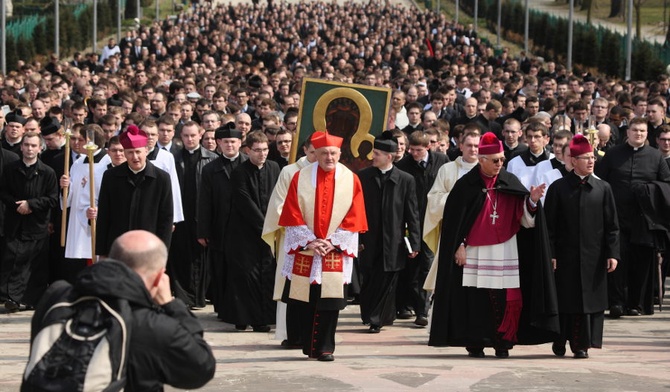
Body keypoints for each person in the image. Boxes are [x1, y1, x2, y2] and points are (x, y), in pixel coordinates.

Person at [28, 230, 216, 391]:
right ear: (160, 278)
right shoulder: (153, 326)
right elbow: (202, 367)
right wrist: (171, 304)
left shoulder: (56, 298)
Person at [429, 132, 559, 358]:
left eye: (502, 159)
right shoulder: (465, 185)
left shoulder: (510, 181)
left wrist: (532, 201)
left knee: (504, 297)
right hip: (474, 251)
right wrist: (457, 245)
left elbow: (524, 221)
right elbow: (454, 223)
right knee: (475, 298)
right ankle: (476, 342)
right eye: (496, 160)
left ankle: (503, 341)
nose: (501, 164)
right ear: (482, 160)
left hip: (505, 249)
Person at [278, 130, 367, 361]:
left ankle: (326, 347)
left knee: (330, 301)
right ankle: (309, 346)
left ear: (340, 153)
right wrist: (310, 240)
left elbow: (355, 215)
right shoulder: (301, 177)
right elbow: (292, 212)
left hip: (333, 249)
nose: (329, 157)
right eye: (324, 153)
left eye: (333, 153)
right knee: (306, 300)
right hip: (308, 248)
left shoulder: (351, 179)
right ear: (315, 154)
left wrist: (332, 241)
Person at [544, 134, 620, 359]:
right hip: (565, 257)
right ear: (573, 160)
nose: (590, 161)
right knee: (566, 300)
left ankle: (582, 345)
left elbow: (612, 226)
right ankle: (560, 339)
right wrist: (552, 253)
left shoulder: (603, 188)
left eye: (592, 157)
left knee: (589, 302)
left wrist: (613, 253)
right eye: (585, 158)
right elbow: (549, 226)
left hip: (594, 257)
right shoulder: (558, 188)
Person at [595, 117, 670, 316]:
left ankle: (636, 303)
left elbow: (666, 185)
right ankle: (617, 303)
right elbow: (600, 181)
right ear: (627, 132)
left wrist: (648, 189)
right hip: (616, 217)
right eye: (635, 130)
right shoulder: (612, 154)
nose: (638, 134)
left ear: (647, 134)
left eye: (642, 131)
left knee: (641, 263)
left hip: (644, 219)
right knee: (616, 261)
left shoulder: (656, 157)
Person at [358, 131, 420, 333]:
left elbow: (412, 214)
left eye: (376, 153)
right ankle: (369, 315)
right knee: (369, 278)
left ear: (389, 157)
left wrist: (415, 243)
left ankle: (378, 319)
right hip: (368, 239)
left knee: (388, 280)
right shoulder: (363, 177)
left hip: (393, 241)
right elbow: (356, 210)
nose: (372, 157)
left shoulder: (406, 180)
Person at [220, 131, 280, 332]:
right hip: (244, 233)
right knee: (246, 276)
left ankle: (261, 319)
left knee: (265, 274)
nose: (262, 154)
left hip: (268, 231)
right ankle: (242, 317)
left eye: (265, 150)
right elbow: (245, 202)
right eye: (257, 150)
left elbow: (277, 197)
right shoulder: (239, 172)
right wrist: (266, 226)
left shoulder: (274, 168)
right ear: (248, 150)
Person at [262, 136, 317, 348]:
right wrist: (302, 231)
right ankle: (289, 333)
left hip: (319, 242)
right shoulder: (289, 171)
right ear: (305, 150)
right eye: (312, 152)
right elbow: (279, 206)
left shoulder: (328, 173)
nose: (316, 157)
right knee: (290, 285)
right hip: (294, 240)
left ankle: (311, 333)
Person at [395, 130, 449, 326]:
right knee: (411, 265)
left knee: (427, 264)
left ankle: (423, 310)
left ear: (428, 147)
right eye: (411, 149)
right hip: (411, 223)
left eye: (418, 150)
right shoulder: (403, 165)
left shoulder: (442, 161)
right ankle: (407, 304)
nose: (414, 153)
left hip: (433, 221)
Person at [94, 125, 174, 257]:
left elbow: (166, 219)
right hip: (118, 246)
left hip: (148, 248)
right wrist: (102, 252)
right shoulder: (110, 176)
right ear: (124, 153)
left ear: (146, 151)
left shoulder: (161, 178)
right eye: (130, 152)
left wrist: (162, 252)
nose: (134, 157)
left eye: (138, 152)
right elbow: (104, 215)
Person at [0, 132, 58, 311]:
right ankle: (12, 299)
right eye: (26, 145)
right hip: (15, 223)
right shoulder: (11, 169)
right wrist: (17, 205)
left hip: (36, 225)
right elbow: (3, 192)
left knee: (35, 266)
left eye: (33, 146)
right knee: (13, 261)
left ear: (40, 148)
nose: (29, 149)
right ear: (21, 147)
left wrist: (31, 204)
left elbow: (52, 198)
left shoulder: (48, 172)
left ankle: (32, 300)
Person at [197, 124, 247, 319]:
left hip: (244, 227)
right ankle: (223, 307)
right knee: (220, 268)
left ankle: (240, 307)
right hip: (220, 227)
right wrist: (203, 231)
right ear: (218, 143)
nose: (229, 145)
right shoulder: (210, 168)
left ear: (240, 143)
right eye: (225, 142)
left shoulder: (247, 163)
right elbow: (204, 201)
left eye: (233, 141)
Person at [423, 129, 481, 291]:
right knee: (450, 282)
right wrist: (457, 199)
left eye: (477, 146)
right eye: (469, 145)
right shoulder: (447, 169)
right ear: (461, 146)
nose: (473, 149)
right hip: (452, 232)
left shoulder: (487, 170)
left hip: (479, 234)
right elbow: (434, 200)